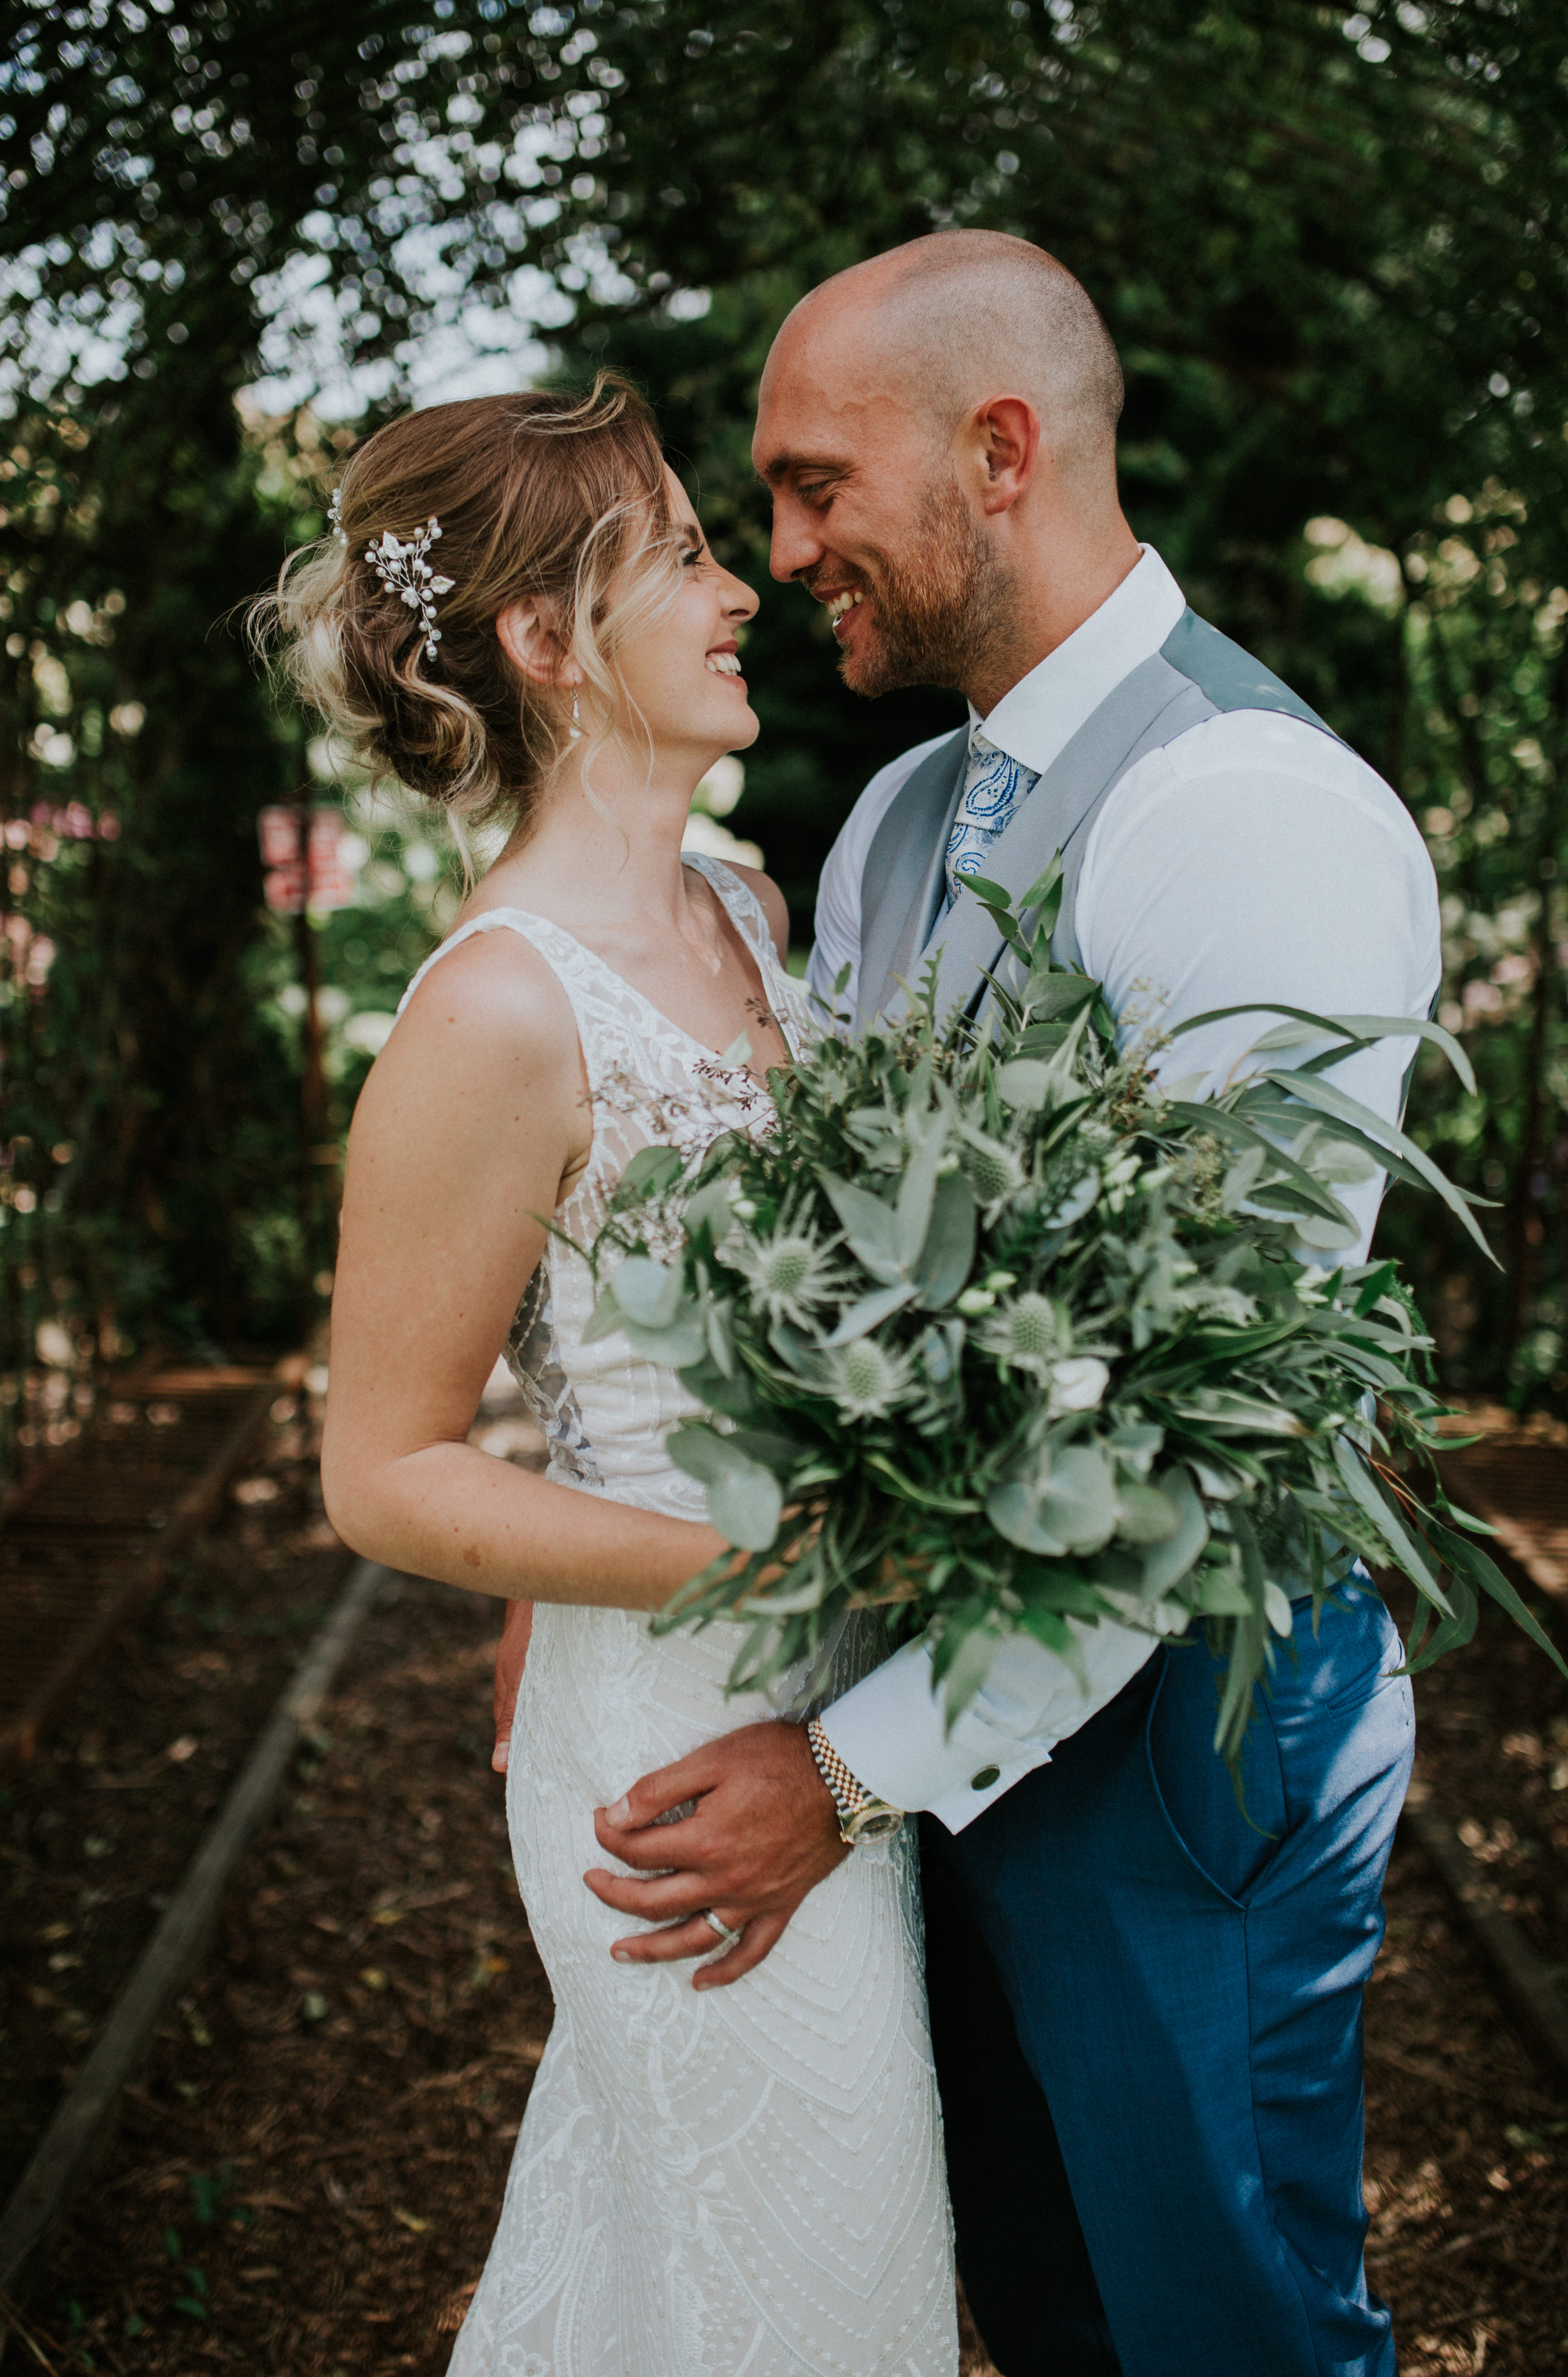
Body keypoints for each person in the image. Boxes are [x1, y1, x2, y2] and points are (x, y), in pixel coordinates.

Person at [499, 237, 1440, 2377]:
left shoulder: (1250, 815)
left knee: (1222, 2330)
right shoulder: (908, 813)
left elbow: (1206, 1417)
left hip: (1180, 1756)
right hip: (942, 1722)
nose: (786, 550)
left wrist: (840, 1774)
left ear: (999, 451)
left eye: (818, 485)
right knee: (1037, 2306)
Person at [265, 375, 957, 2377]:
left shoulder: (742, 905)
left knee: (769, 2273)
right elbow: (379, 1470)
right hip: (674, 1736)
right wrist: (766, 1569)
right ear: (548, 642)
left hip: (829, 1715)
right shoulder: (494, 1009)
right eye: (684, 556)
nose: (746, 588)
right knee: (809, 2290)